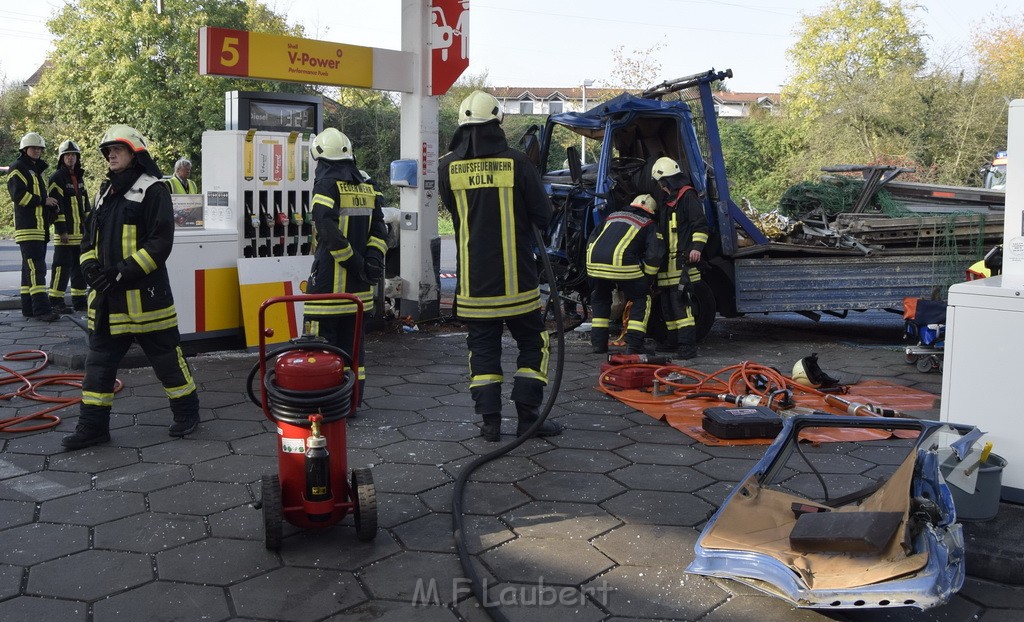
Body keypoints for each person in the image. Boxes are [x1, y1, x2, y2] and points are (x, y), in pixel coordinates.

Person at [62, 124, 200, 450]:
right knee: (98, 364)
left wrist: (121, 273)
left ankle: (187, 412)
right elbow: (88, 238)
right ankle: (92, 426)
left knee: (165, 357)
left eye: (117, 149)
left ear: (134, 154)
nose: (110, 154)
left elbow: (159, 243)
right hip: (108, 300)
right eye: (107, 150)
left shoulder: (154, 190)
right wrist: (90, 268)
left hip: (146, 298)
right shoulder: (104, 192)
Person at [437, 90, 561, 442]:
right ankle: (528, 418)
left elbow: (456, 211)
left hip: (474, 285)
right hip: (517, 282)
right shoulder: (519, 163)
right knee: (534, 342)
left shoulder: (446, 166)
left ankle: (490, 424)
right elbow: (543, 214)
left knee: (483, 348)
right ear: (497, 122)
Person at [302, 128, 388, 406]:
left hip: (327, 289)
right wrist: (372, 261)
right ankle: (351, 402)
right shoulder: (366, 183)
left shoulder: (325, 185)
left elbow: (326, 230)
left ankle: (324, 404)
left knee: (320, 350)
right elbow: (379, 228)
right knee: (354, 353)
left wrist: (354, 262)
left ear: (320, 158)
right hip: (358, 291)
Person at [586, 194, 664, 354]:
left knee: (600, 298)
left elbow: (592, 238)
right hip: (622, 264)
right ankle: (635, 344)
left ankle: (598, 344)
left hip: (594, 264)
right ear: (651, 211)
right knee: (641, 298)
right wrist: (647, 279)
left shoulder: (611, 216)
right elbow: (654, 255)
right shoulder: (648, 223)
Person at [651, 156, 709, 360]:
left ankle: (687, 347)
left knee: (681, 305)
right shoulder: (667, 201)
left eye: (661, 183)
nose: (660, 187)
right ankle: (672, 341)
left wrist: (697, 248)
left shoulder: (687, 197)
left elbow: (700, 225)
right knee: (667, 305)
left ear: (667, 180)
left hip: (682, 261)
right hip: (667, 264)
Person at [7, 132, 61, 322]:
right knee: (37, 268)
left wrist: (50, 208)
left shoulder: (35, 170)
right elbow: (19, 196)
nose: (37, 151)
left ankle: (28, 308)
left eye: (39, 148)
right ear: (24, 149)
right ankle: (42, 310)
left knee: (27, 270)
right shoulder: (18, 168)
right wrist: (43, 201)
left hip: (39, 228)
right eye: (34, 148)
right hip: (28, 228)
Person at [47, 140, 90, 313]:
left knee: (79, 269)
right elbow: (57, 207)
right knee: (61, 268)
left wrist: (89, 228)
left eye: (73, 155)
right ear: (62, 158)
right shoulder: (57, 177)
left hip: (80, 233)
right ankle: (56, 302)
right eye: (67, 155)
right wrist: (62, 230)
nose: (71, 158)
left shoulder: (79, 177)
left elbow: (86, 205)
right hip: (65, 234)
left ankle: (79, 302)